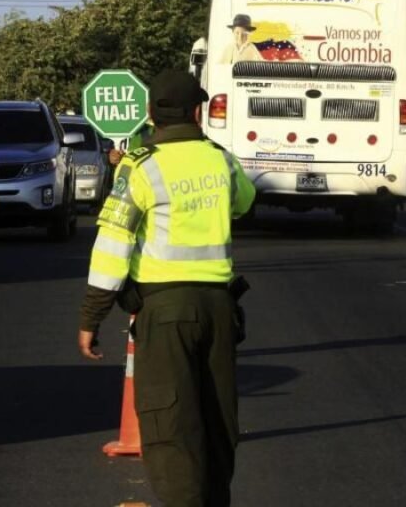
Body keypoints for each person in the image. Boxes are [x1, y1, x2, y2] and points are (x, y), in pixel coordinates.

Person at [78, 69, 256, 507]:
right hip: (218, 309)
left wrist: (91, 317)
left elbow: (112, 246)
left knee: (170, 424)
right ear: (196, 111)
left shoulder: (140, 168)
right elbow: (246, 202)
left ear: (149, 113)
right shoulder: (221, 160)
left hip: (165, 312)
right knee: (217, 421)